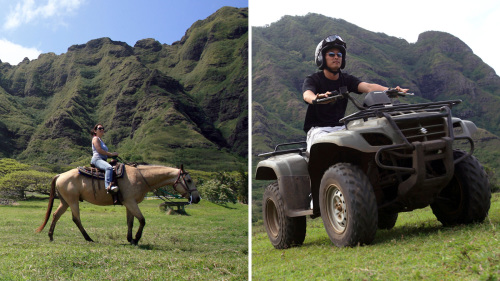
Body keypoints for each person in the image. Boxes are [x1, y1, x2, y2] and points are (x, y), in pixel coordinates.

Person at [303, 34, 408, 152]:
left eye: (339, 54)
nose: (336, 57)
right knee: (328, 150)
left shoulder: (346, 79)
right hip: (319, 130)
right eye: (331, 54)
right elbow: (307, 94)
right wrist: (317, 98)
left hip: (342, 128)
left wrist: (390, 90)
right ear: (322, 57)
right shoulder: (313, 79)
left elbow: (368, 87)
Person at [90, 123, 119, 194]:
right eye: (99, 128)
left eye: (102, 128)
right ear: (95, 131)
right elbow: (99, 150)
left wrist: (113, 156)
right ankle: (108, 187)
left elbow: (104, 153)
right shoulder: (95, 138)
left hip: (102, 159)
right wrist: (111, 154)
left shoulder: (100, 140)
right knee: (109, 168)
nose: (102, 129)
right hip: (97, 159)